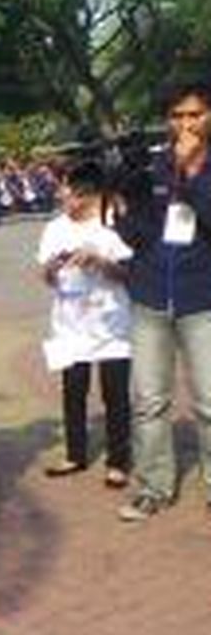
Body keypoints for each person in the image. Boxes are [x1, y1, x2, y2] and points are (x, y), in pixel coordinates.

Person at [115, 81, 211, 522]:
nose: (186, 124)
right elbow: (136, 234)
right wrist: (120, 206)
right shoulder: (152, 167)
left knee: (210, 401)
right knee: (149, 400)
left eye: (195, 115)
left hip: (202, 298)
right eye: (178, 116)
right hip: (150, 296)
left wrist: (190, 175)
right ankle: (153, 486)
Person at [37, 161, 132, 488]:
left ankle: (118, 461)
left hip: (112, 324)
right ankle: (75, 454)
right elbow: (45, 277)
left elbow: (128, 274)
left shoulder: (112, 223)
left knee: (115, 394)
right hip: (70, 324)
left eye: (66, 190)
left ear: (85, 194)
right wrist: (52, 266)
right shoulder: (54, 228)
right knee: (73, 391)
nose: (62, 196)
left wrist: (100, 261)